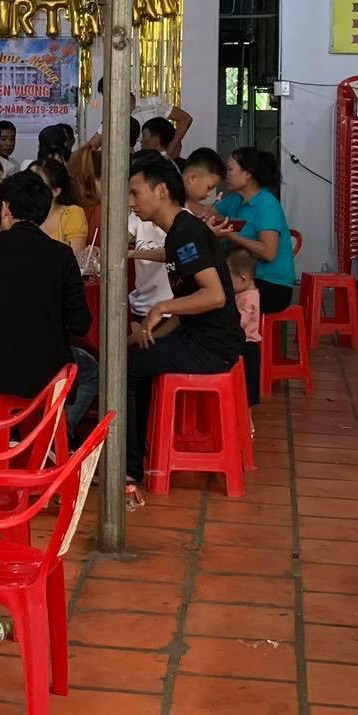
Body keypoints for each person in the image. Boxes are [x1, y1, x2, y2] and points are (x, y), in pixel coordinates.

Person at [123, 152, 246, 489]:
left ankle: (129, 468)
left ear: (161, 190)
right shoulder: (180, 231)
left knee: (127, 369)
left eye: (135, 193)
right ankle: (137, 454)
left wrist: (160, 308)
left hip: (211, 346)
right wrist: (154, 331)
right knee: (135, 355)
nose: (131, 202)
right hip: (199, 336)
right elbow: (189, 302)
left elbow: (214, 296)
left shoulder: (185, 233)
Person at [0, 170, 97, 433]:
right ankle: (51, 442)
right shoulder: (62, 256)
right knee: (89, 368)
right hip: (45, 375)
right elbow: (80, 324)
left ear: (5, 209)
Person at [216, 146, 297, 317]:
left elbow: (268, 252)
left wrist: (231, 236)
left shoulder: (266, 204)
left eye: (230, 169)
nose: (226, 174)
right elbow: (205, 212)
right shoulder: (236, 200)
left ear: (247, 174)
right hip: (244, 279)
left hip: (271, 285)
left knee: (212, 298)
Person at [226, 247, 265, 406]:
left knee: (247, 388)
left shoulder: (249, 298)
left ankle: (248, 417)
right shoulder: (242, 293)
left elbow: (240, 322)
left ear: (243, 278)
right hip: (241, 343)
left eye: (229, 279)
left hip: (247, 346)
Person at [36, 155, 90, 252]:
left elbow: (75, 255)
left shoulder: (71, 213)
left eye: (37, 184)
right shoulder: (22, 213)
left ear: (55, 191)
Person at [182, 148, 227, 222]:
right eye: (209, 188)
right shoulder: (169, 200)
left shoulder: (185, 201)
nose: (208, 194)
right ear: (192, 178)